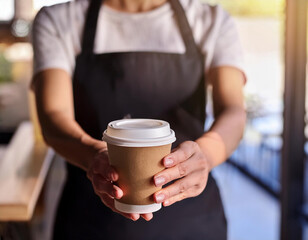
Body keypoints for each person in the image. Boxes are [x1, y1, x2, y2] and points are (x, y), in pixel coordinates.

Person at [31, 0, 246, 239]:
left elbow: (233, 111)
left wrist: (205, 154)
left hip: (191, 220)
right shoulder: (60, 20)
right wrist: (94, 155)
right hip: (91, 220)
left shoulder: (211, 20)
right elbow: (52, 116)